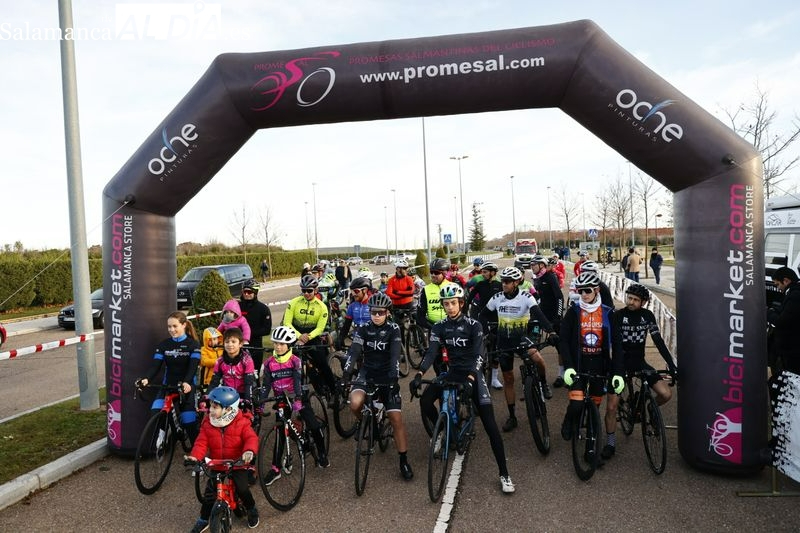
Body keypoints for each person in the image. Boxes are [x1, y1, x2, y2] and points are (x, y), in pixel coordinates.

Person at [411, 284, 516, 494]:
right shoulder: (439, 327)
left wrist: (470, 379)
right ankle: (441, 431)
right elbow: (431, 353)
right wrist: (420, 373)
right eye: (446, 304)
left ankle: (504, 474)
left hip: (473, 374)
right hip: (452, 372)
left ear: (461, 303)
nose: (449, 307)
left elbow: (479, 355)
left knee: (490, 424)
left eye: (453, 303)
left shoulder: (473, 325)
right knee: (424, 401)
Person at [341, 292, 413, 480]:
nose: (377, 316)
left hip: (387, 373)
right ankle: (369, 422)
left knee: (395, 418)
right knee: (355, 403)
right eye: (373, 312)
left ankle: (403, 460)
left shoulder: (394, 329)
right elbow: (354, 351)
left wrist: (393, 376)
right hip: (367, 373)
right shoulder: (363, 329)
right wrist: (346, 373)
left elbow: (395, 355)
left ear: (387, 313)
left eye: (381, 313)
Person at [602, 283, 677, 459]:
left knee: (666, 394)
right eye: (629, 298)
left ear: (643, 302)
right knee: (612, 407)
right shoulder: (618, 316)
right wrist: (613, 370)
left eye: (636, 300)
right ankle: (611, 443)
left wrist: (671, 364)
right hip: (620, 365)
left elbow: (658, 341)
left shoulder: (647, 316)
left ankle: (650, 407)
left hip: (640, 363)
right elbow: (613, 345)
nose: (631, 302)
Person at [481, 267, 556, 431]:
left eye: (507, 282)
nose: (504, 284)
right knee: (508, 379)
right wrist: (488, 332)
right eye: (502, 281)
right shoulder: (497, 298)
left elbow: (540, 315)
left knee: (537, 359)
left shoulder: (526, 297)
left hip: (522, 338)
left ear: (516, 282)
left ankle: (542, 383)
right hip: (504, 341)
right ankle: (512, 416)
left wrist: (551, 331)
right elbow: (482, 316)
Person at [559, 272, 624, 447]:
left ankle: (591, 447)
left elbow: (618, 345)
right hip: (579, 363)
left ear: (596, 290)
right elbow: (563, 340)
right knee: (577, 403)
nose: (584, 295)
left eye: (587, 291)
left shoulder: (608, 313)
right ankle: (569, 419)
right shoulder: (574, 311)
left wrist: (617, 373)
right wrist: (568, 366)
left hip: (599, 364)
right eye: (580, 291)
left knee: (594, 406)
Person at [186, 386, 260, 532]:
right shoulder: (208, 423)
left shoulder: (242, 422)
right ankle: (203, 519)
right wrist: (195, 457)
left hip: (237, 463)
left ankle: (251, 509)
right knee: (210, 494)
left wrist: (249, 451)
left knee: (243, 488)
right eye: (210, 406)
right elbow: (201, 443)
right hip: (217, 464)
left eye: (215, 407)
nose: (211, 411)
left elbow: (251, 438)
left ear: (228, 409)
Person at [261, 326, 329, 472]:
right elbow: (266, 386)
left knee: (314, 425)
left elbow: (297, 381)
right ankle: (275, 468)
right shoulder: (268, 363)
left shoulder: (295, 361)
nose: (278, 347)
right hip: (281, 399)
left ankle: (322, 453)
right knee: (280, 431)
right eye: (276, 343)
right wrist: (260, 403)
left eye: (282, 344)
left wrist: (298, 398)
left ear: (289, 345)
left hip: (297, 396)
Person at [136, 311, 201, 444]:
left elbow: (193, 367)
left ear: (184, 325)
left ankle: (197, 455)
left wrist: (187, 382)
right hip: (168, 386)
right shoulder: (163, 345)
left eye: (174, 326)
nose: (171, 330)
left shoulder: (193, 345)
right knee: (155, 412)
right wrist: (147, 379)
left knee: (189, 423)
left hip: (186, 386)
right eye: (169, 327)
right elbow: (155, 366)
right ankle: (167, 437)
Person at [282, 275, 337, 396]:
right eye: (303, 290)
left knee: (322, 364)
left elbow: (320, 328)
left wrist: (307, 337)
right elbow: (287, 322)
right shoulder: (294, 302)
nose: (306, 293)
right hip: (295, 336)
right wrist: (299, 336)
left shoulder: (322, 306)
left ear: (316, 290)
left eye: (309, 290)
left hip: (312, 337)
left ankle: (334, 391)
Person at [530, 255, 566, 388]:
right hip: (540, 316)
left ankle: (561, 375)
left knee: (560, 346)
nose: (532, 267)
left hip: (553, 316)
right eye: (531, 264)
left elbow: (560, 297)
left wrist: (558, 316)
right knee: (533, 343)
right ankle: (535, 373)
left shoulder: (551, 276)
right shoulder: (536, 278)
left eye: (535, 264)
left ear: (542, 265)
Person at [207, 327, 256, 403]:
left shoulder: (247, 360)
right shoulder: (220, 361)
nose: (230, 344)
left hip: (244, 393)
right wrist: (207, 396)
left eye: (233, 342)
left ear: (240, 344)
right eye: (227, 342)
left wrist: (248, 400)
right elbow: (214, 382)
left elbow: (248, 383)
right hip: (227, 394)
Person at [768, 266, 800, 375]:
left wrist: (766, 312)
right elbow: (785, 311)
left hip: (792, 350)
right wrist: (773, 310)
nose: (778, 288)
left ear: (786, 281)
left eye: (777, 284)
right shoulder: (793, 292)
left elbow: (781, 322)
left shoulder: (795, 295)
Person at [238, 279, 272, 372]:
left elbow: (267, 329)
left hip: (256, 346)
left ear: (255, 293)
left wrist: (248, 334)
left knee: (255, 372)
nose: (246, 294)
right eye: (244, 292)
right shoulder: (237, 306)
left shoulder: (263, 309)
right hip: (239, 345)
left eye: (249, 292)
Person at [337, 276, 374, 350]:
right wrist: (341, 338)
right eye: (352, 291)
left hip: (373, 338)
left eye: (356, 291)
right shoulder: (352, 306)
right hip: (358, 339)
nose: (353, 294)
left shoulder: (374, 304)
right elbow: (347, 325)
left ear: (365, 290)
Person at [199, 327, 224, 394]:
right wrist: (219, 361)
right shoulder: (203, 350)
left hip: (222, 379)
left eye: (215, 339)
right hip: (208, 380)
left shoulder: (222, 349)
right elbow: (205, 362)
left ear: (219, 339)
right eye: (210, 340)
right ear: (205, 340)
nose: (213, 341)